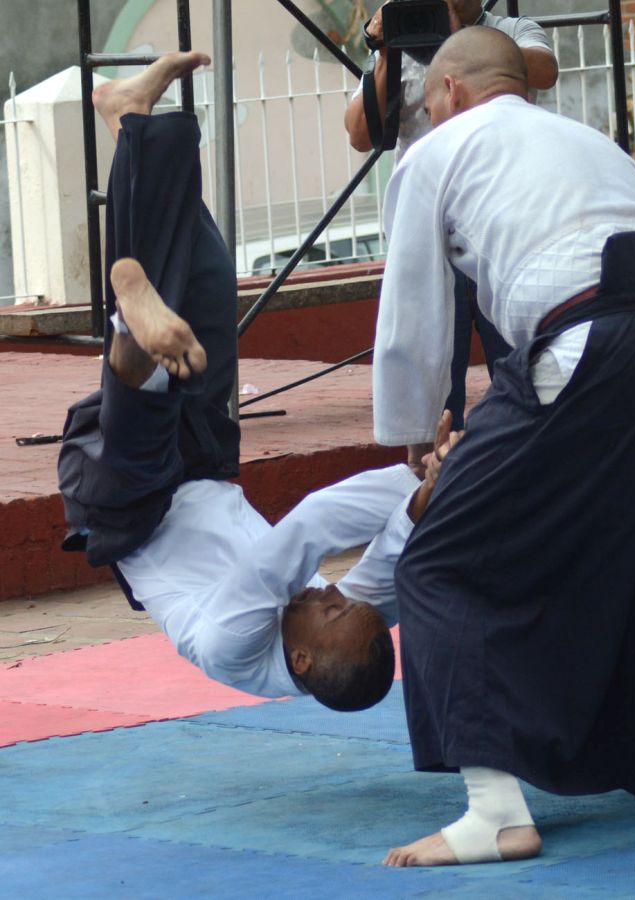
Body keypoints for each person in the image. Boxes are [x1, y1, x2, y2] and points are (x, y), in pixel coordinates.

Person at [373, 28, 635, 866]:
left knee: (439, 563)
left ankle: (495, 812)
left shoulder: (437, 151)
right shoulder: (586, 138)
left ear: (451, 91)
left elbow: (414, 318)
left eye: (426, 103)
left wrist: (417, 442)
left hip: (588, 345)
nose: (425, 117)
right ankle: (622, 748)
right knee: (608, 533)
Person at [56, 52, 460, 712]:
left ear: (299, 660)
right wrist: (432, 490)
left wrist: (414, 480)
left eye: (330, 610)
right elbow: (395, 555)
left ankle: (130, 319)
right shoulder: (344, 633)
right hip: (205, 468)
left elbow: (311, 526)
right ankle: (129, 117)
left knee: (143, 385)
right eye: (343, 601)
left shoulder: (231, 643)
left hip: (131, 509)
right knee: (208, 272)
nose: (332, 593)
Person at [344, 0, 559, 472]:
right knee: (434, 385)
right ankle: (432, 488)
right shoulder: (404, 42)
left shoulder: (510, 30)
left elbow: (544, 71)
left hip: (501, 236)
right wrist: (385, 51)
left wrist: (459, 38)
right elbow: (361, 133)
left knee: (524, 368)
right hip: (429, 244)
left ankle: (536, 474)